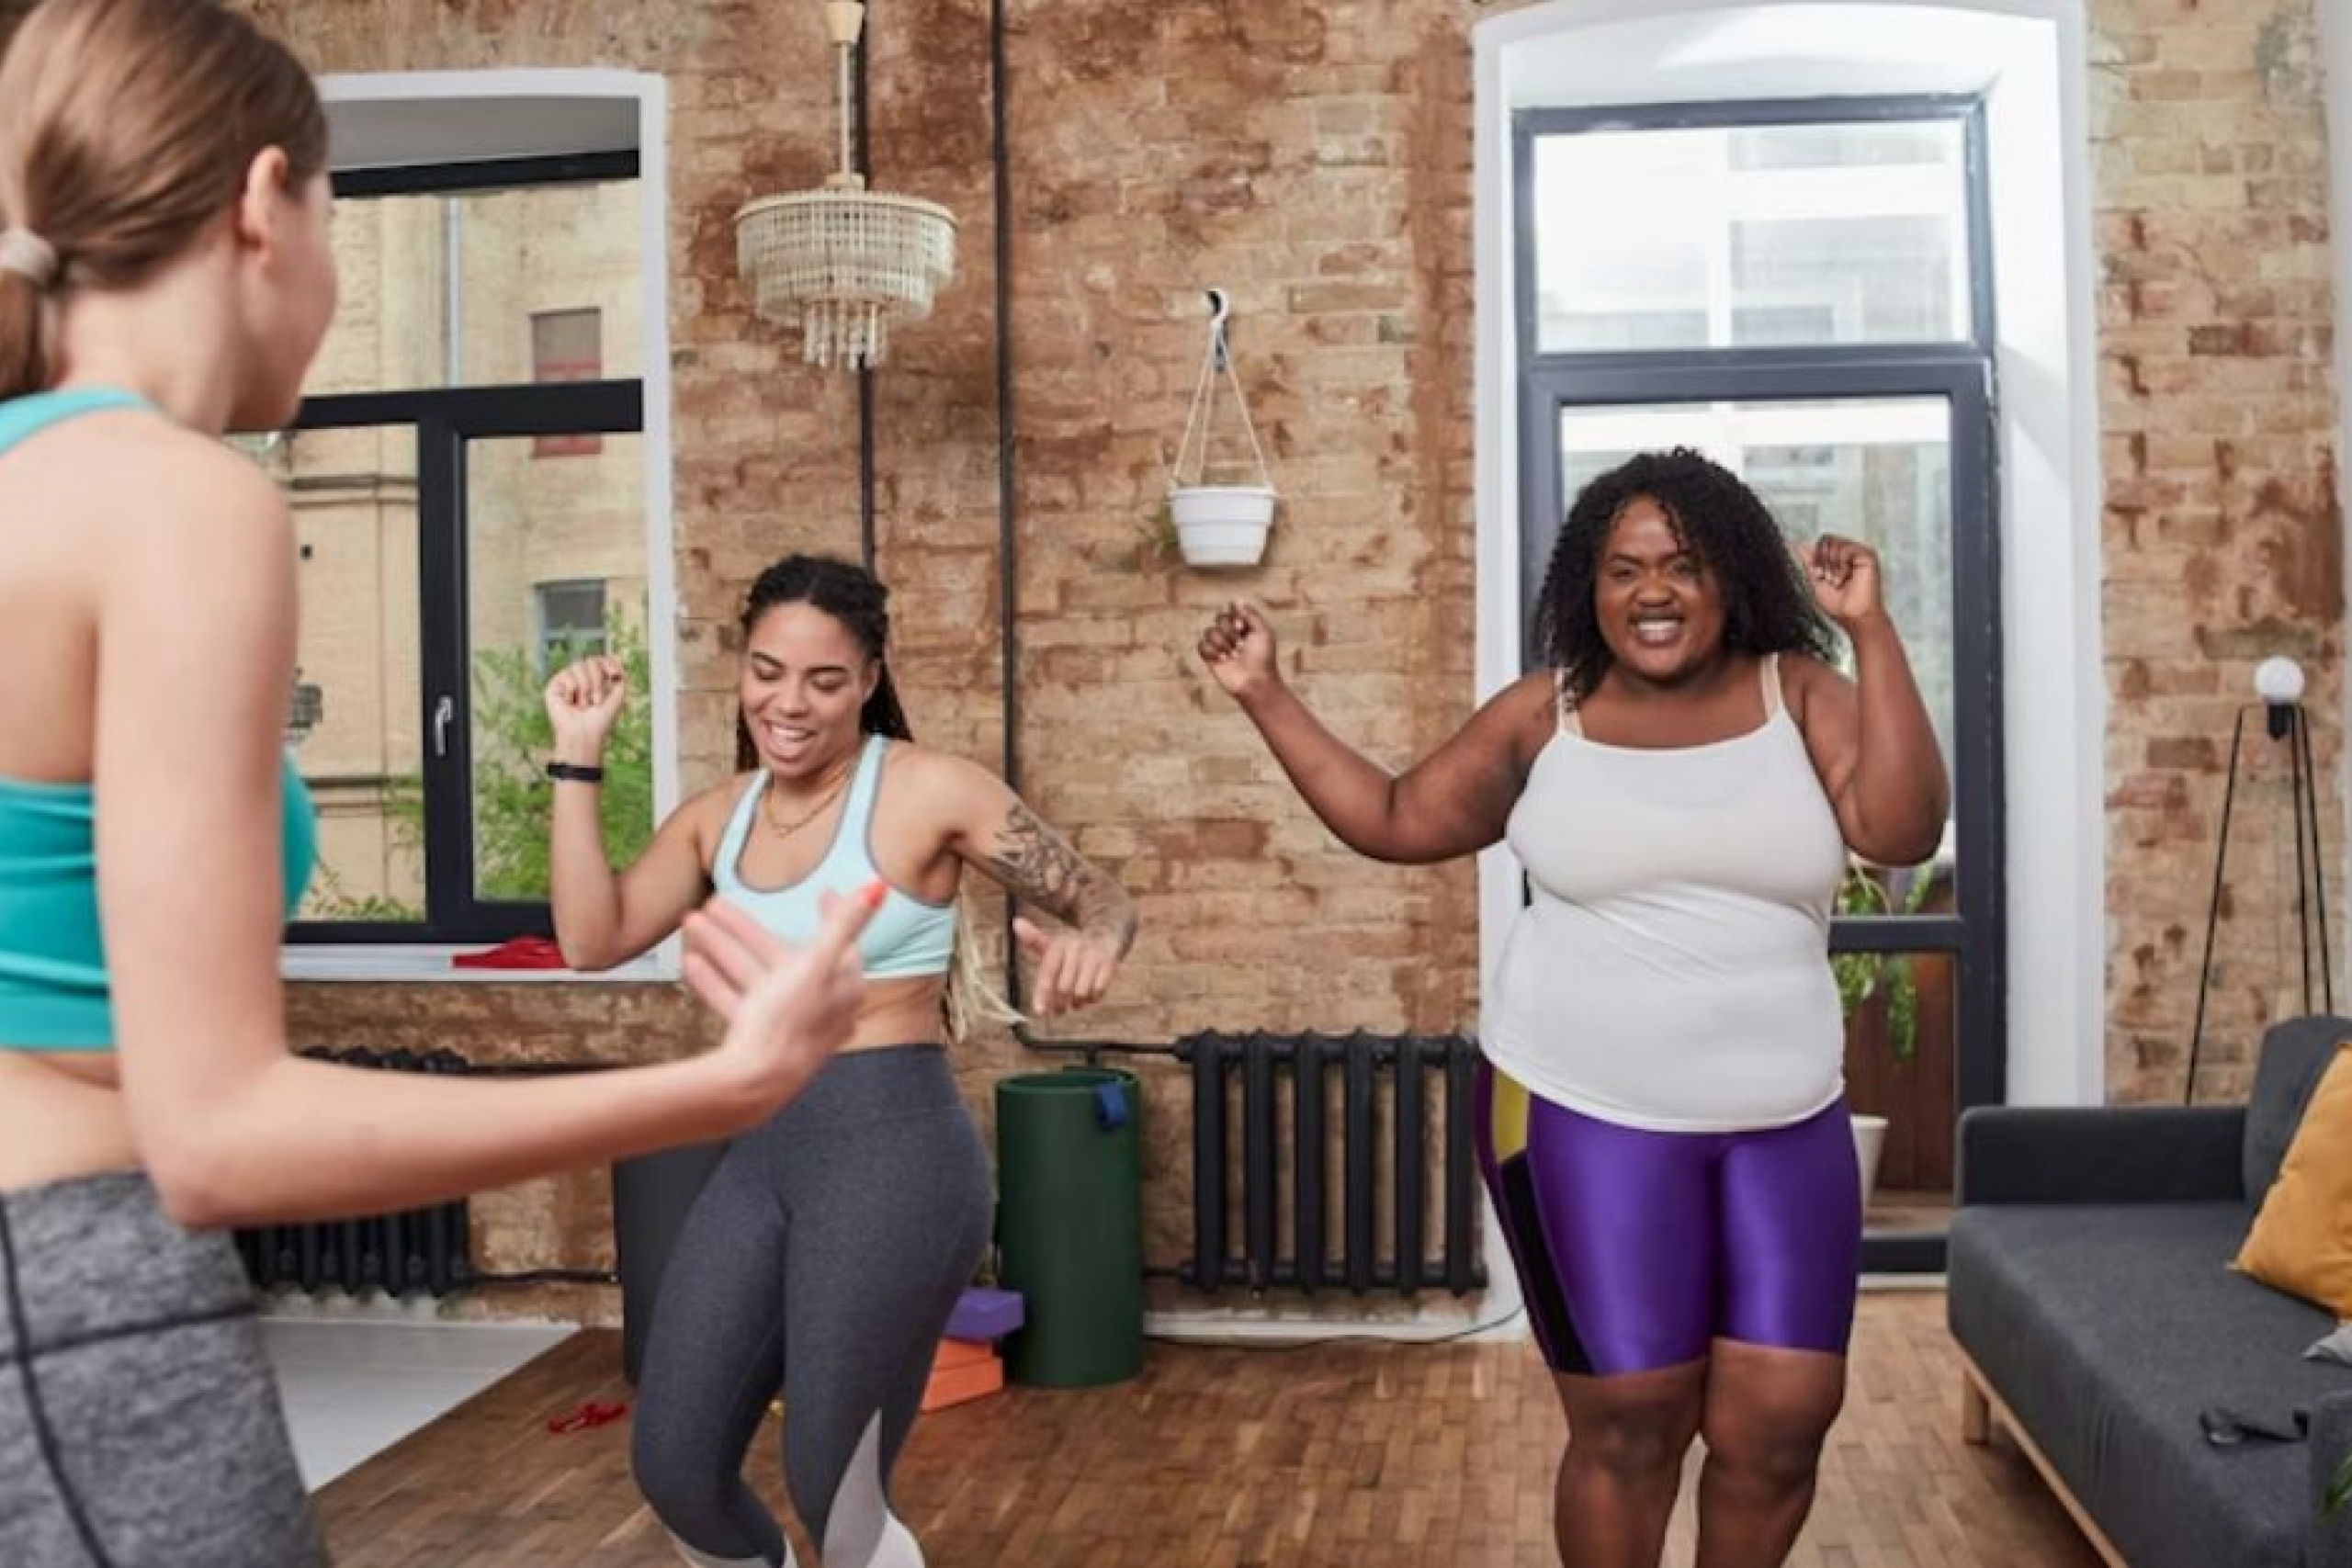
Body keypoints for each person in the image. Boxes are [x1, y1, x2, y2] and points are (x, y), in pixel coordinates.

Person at [0, 5, 882, 1566]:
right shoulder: (177, 502)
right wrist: (724, 1083)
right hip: (76, 1295)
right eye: (341, 215)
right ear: (265, 203)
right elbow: (215, 1129)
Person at [1198, 446, 1949, 1568]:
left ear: (1731, 576)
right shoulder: (1543, 717)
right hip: (1578, 1118)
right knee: (1632, 1428)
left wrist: (1870, 632)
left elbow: (1900, 830)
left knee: (1781, 1431)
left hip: (1784, 1124)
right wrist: (1266, 693)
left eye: (1682, 565)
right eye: (1622, 568)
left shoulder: (1799, 691)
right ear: (1587, 589)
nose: (1651, 591)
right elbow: (1399, 819)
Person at [545, 551, 1138, 1568]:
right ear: (742, 669)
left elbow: (1102, 899)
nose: (790, 703)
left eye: (824, 680)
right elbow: (589, 940)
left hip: (892, 1155)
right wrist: (578, 757)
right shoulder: (714, 818)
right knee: (675, 1465)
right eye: (768, 671)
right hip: (764, 1155)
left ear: (868, 678)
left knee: (834, 1483)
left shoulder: (929, 791)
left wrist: (1096, 942)